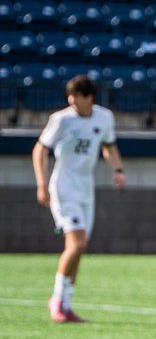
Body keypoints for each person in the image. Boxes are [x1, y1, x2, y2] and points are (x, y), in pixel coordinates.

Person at [31, 74, 125, 323]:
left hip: (86, 189)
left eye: (77, 95)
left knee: (79, 248)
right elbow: (40, 149)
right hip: (63, 188)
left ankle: (67, 304)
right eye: (70, 95)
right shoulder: (61, 119)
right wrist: (42, 184)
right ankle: (57, 300)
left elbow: (108, 145)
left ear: (90, 98)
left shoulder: (104, 117)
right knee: (78, 243)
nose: (71, 99)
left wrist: (118, 170)